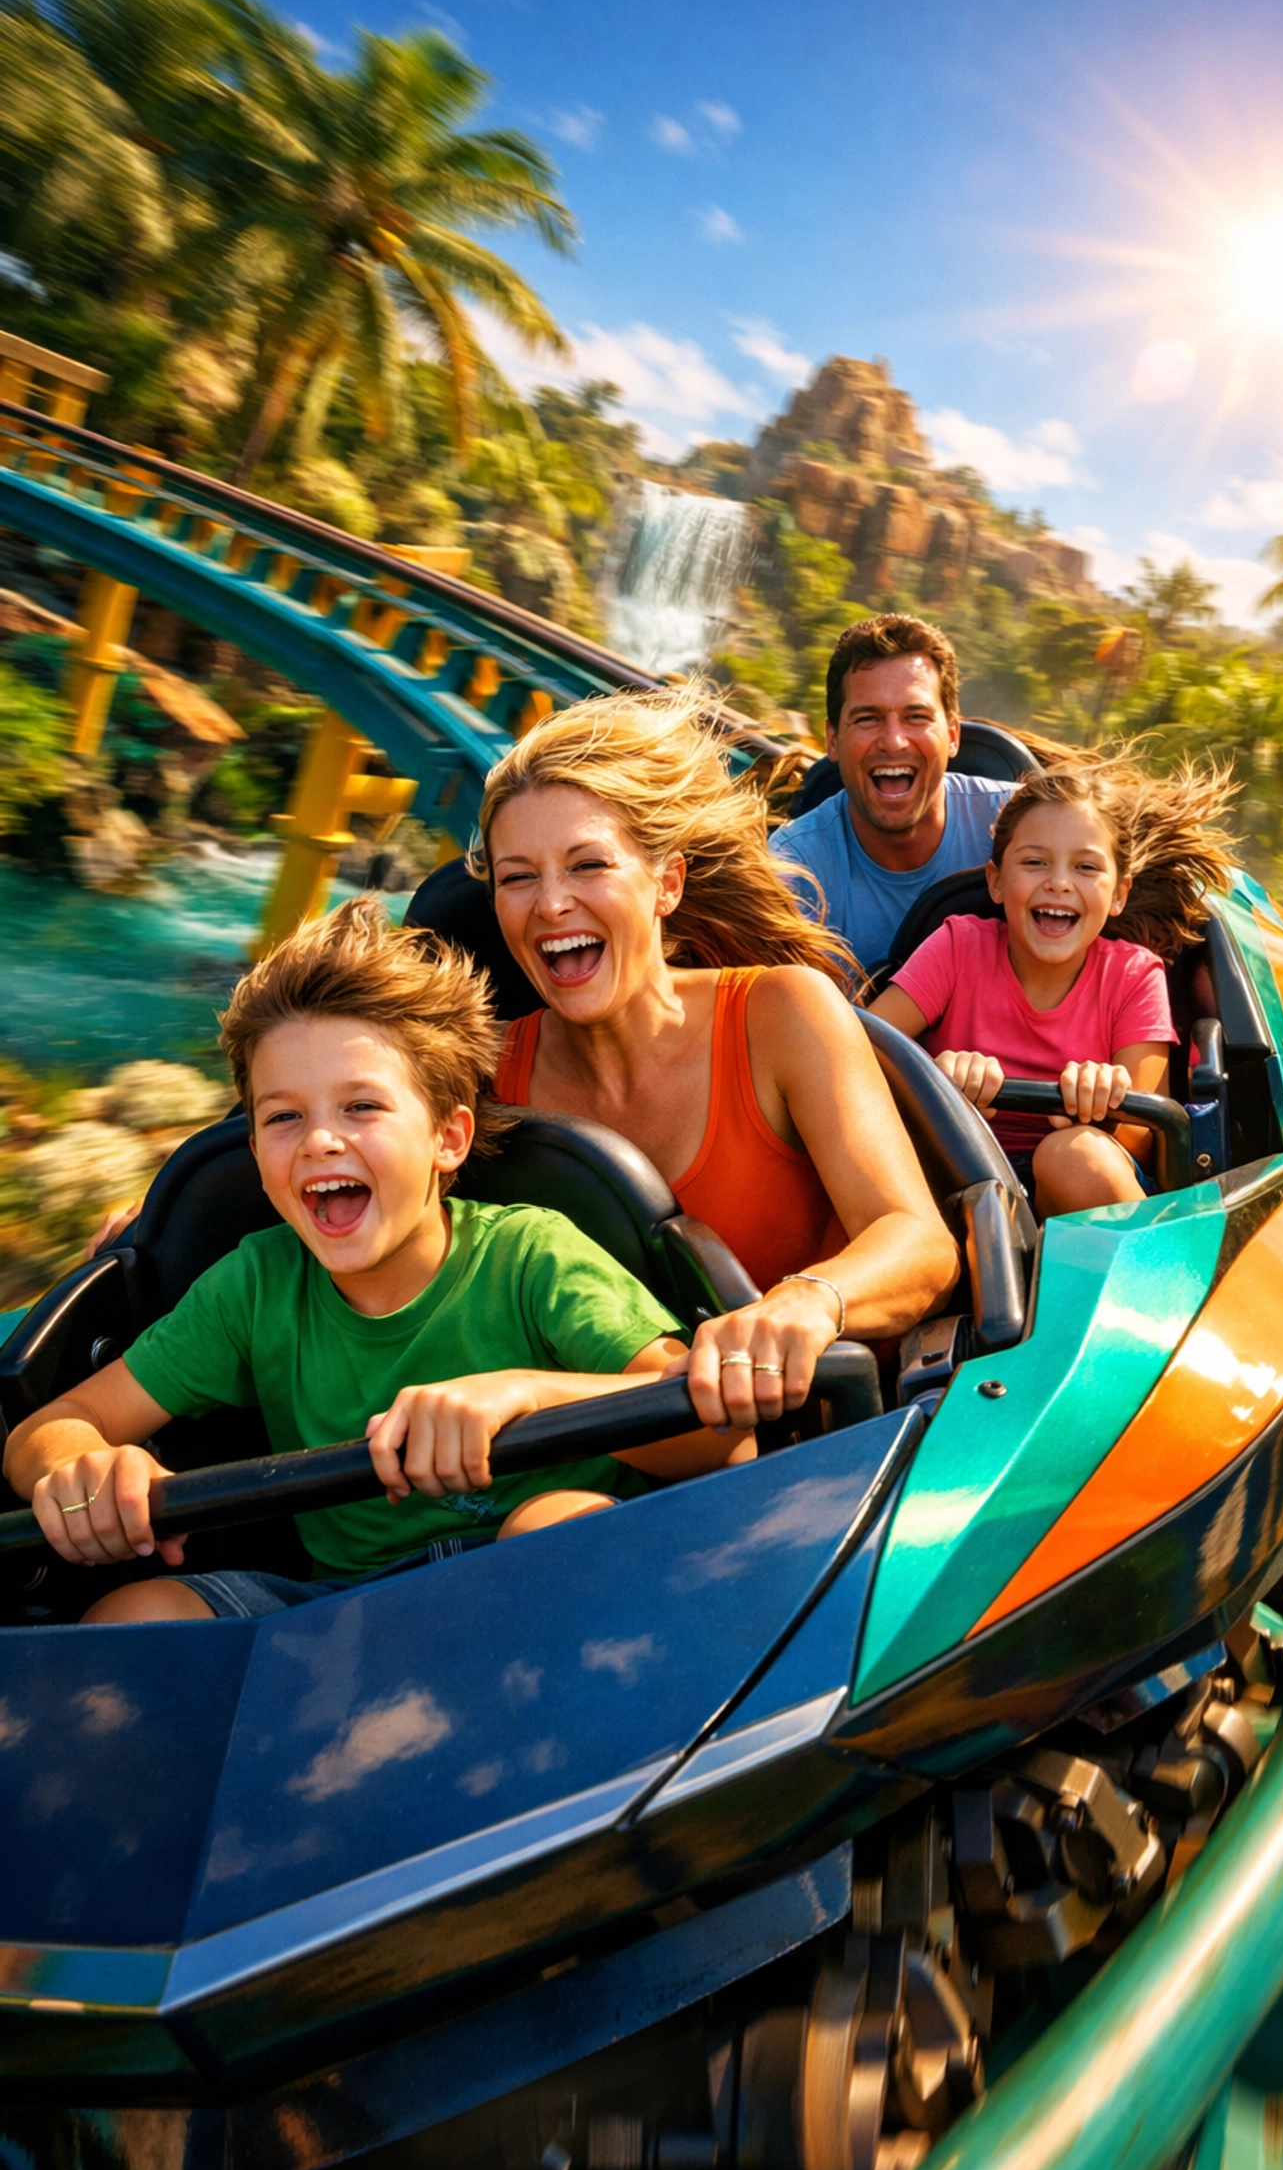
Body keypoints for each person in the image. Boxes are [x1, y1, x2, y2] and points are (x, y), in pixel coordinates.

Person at [4, 901, 755, 1622]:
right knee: (133, 1613)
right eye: (284, 1117)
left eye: (361, 1107)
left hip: (542, 1575)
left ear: (448, 1138)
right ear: (256, 1153)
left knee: (557, 1526)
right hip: (348, 1608)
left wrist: (522, 1394)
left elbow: (722, 1439)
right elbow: (51, 1426)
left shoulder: (532, 1255)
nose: (319, 1141)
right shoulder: (256, 1285)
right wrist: (87, 1470)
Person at [481, 682, 960, 1432]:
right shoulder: (486, 1077)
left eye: (587, 866)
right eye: (518, 878)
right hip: (600, 1463)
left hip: (815, 1445)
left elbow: (921, 1245)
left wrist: (806, 1303)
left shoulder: (781, 1012)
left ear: (665, 883)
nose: (549, 905)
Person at [871, 756, 1235, 1218]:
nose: (1059, 883)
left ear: (1119, 893)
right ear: (996, 881)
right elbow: (858, 1051)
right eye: (1035, 863)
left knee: (1073, 1156)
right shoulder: (956, 945)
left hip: (1079, 1192)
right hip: (956, 1167)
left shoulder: (1134, 975)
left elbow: (1148, 1139)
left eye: (1085, 868)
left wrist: (1105, 1112)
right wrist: (932, 1078)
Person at [770, 613, 1015, 972]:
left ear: (952, 735)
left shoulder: (1022, 829)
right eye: (868, 718)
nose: (894, 741)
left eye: (916, 716)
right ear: (833, 740)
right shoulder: (793, 872)